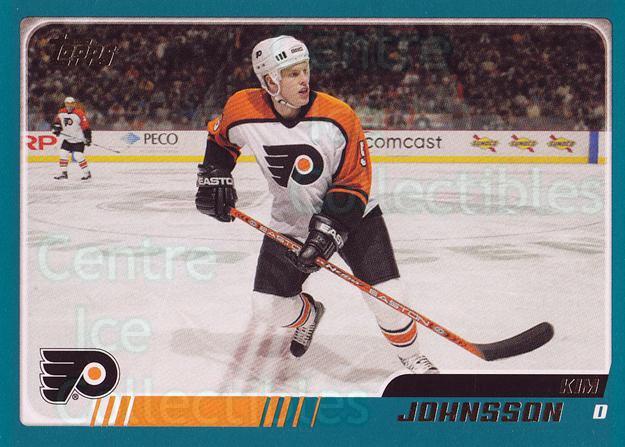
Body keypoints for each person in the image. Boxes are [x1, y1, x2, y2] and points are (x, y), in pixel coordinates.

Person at [195, 36, 438, 374]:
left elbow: (354, 183)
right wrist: (215, 174)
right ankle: (309, 314)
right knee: (267, 306)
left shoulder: (338, 116)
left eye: (305, 70)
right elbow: (221, 139)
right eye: (292, 73)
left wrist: (327, 233)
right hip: (291, 221)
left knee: (389, 300)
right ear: (270, 81)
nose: (304, 80)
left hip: (354, 218)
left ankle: (411, 356)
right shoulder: (242, 108)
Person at [52, 97, 92, 180]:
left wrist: (88, 137)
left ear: (74, 104)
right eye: (68, 104)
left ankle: (87, 173)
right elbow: (57, 122)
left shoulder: (79, 113)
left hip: (78, 140)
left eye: (71, 104)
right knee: (63, 153)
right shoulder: (61, 112)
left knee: (78, 156)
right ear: (65, 104)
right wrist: (56, 129)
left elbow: (86, 126)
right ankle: (64, 173)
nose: (69, 106)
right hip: (67, 139)